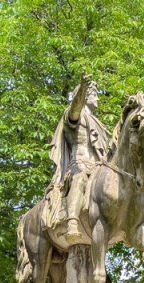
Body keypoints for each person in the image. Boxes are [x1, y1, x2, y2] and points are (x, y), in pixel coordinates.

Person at [47, 75, 111, 244]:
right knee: (80, 177)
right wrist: (82, 88)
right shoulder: (75, 115)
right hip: (78, 163)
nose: (97, 98)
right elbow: (75, 108)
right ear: (85, 96)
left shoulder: (99, 123)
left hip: (98, 166)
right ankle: (72, 222)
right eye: (94, 93)